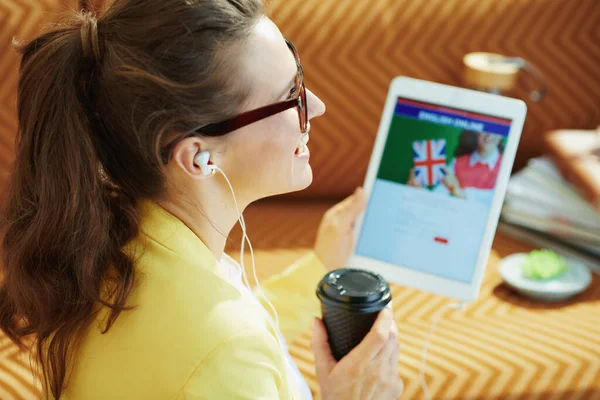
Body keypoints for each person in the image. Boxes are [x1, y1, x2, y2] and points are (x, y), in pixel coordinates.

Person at [0, 1, 403, 399]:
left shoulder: (111, 249)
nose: (316, 107)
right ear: (198, 157)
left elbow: (206, 330)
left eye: (298, 73)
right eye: (290, 94)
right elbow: (217, 347)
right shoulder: (229, 350)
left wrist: (319, 266)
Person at [408, 131, 503, 203]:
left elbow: (490, 202)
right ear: (477, 132)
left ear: (501, 136)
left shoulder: (504, 166)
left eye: (496, 131)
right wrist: (421, 193)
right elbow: (440, 194)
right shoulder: (457, 162)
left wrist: (457, 190)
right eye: (485, 130)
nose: (489, 136)